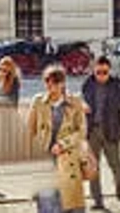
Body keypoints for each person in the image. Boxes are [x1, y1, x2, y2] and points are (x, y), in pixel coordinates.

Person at [26, 64, 86, 213]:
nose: (49, 86)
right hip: (46, 158)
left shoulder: (75, 102)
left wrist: (63, 144)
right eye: (47, 82)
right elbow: (30, 130)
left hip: (68, 157)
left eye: (54, 82)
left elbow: (82, 130)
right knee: (47, 203)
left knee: (70, 203)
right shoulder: (38, 101)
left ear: (62, 83)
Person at [81, 54, 120, 210]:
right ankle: (98, 200)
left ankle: (119, 186)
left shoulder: (118, 84)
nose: (101, 76)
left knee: (115, 165)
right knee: (93, 167)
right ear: (93, 70)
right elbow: (81, 99)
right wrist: (83, 105)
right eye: (98, 72)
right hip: (92, 131)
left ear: (109, 70)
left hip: (111, 130)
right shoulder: (87, 84)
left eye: (104, 72)